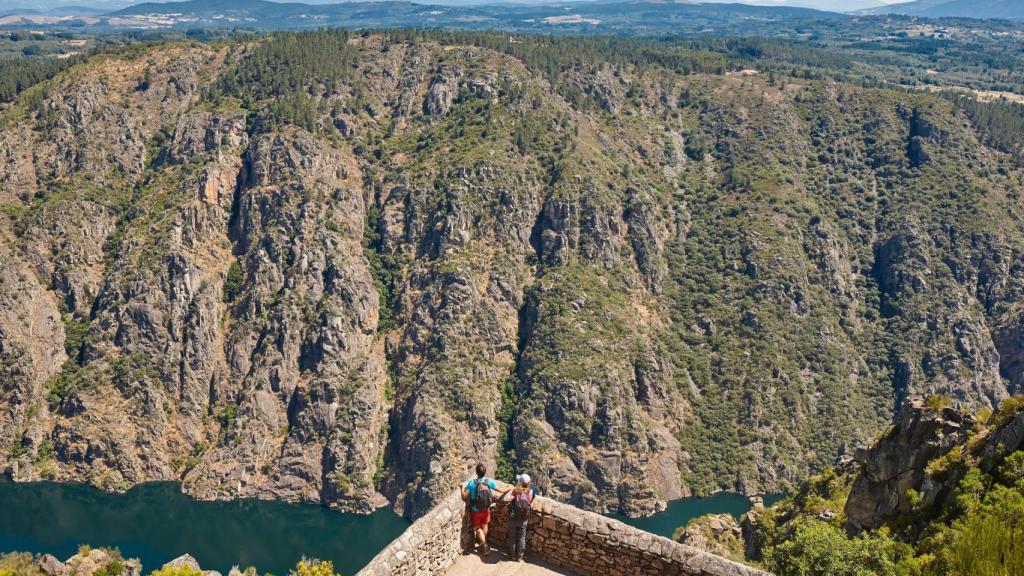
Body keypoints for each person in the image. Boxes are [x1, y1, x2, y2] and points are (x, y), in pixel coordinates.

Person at [461, 463, 509, 555]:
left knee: (477, 528)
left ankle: (485, 546)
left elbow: (464, 496)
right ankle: (482, 541)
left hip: (475, 510)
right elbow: (500, 490)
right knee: (485, 525)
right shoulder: (488, 481)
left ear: (476, 473)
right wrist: (510, 487)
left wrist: (462, 488)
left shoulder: (472, 483)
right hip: (486, 509)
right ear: (485, 472)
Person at [507, 473, 539, 562]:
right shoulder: (532, 491)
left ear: (520, 482)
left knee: (512, 537)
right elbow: (532, 500)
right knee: (521, 537)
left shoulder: (516, 490)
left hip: (513, 517)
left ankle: (512, 556)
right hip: (524, 517)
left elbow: (510, 496)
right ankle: (519, 557)